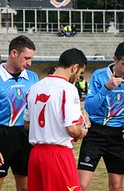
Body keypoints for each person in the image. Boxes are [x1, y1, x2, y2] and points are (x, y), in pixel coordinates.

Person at [78, 41, 124, 191]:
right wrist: (107, 87)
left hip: (118, 135)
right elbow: (90, 108)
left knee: (116, 186)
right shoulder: (99, 76)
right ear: (115, 59)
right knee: (81, 184)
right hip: (95, 133)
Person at [23, 48, 88, 191]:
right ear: (74, 67)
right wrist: (83, 130)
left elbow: (27, 124)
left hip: (36, 155)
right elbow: (72, 129)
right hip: (58, 155)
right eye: (80, 73)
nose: (79, 77)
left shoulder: (34, 88)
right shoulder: (68, 89)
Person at [0, 35, 39, 190]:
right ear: (14, 53)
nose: (29, 63)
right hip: (2, 135)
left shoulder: (33, 77)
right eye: (26, 58)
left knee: (25, 187)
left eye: (31, 59)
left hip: (25, 135)